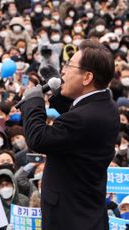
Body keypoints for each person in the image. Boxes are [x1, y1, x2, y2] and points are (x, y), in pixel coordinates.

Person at [20, 40, 120, 229]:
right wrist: (59, 94)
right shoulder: (106, 105)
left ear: (87, 77)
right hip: (87, 212)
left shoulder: (82, 119)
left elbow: (38, 138)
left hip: (69, 218)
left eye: (68, 65)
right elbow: (77, 112)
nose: (63, 71)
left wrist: (33, 103)